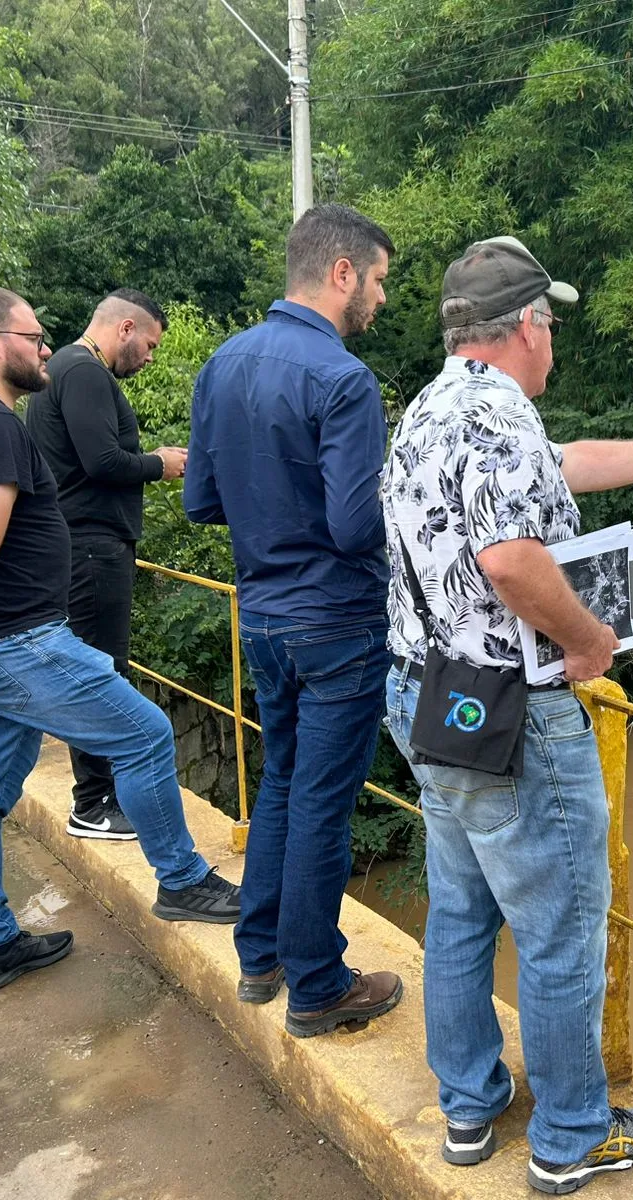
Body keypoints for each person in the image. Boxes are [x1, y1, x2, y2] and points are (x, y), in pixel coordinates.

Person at [380, 236, 633, 1194]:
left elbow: (567, 465)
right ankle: (572, 1137)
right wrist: (591, 643)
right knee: (561, 930)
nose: (556, 342)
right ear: (527, 327)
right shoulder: (499, 415)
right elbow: (512, 560)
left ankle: (468, 1108)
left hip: (431, 701)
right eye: (552, 323)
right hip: (516, 716)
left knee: (463, 910)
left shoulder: (433, 409)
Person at [0, 286, 242, 998]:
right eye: (33, 338)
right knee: (146, 734)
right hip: (9, 642)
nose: (45, 351)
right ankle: (183, 882)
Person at [184, 203, 404, 1038]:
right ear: (341, 272)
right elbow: (354, 526)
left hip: (262, 618)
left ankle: (261, 956)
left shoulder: (222, 363)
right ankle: (318, 985)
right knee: (321, 801)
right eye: (378, 280)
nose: (380, 299)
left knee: (281, 781)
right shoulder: (344, 380)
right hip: (337, 624)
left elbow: (203, 500)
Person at [25, 288, 188, 841]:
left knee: (98, 667)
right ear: (124, 328)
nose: (149, 357)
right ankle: (94, 802)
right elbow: (101, 463)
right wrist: (159, 464)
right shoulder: (85, 371)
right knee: (101, 671)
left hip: (81, 544)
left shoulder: (65, 370)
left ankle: (101, 795)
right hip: (91, 546)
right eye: (148, 343)